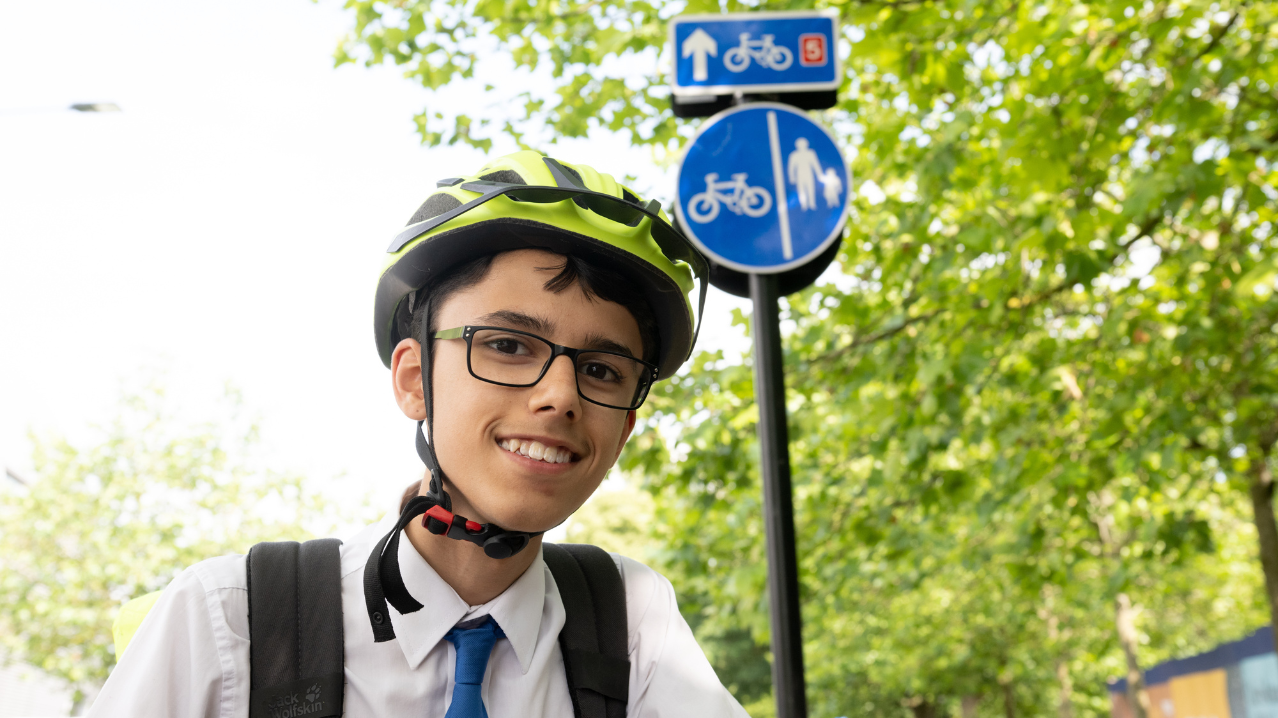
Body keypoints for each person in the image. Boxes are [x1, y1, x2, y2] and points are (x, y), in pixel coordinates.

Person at [87, 151, 750, 718]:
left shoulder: (631, 626)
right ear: (413, 380)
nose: (560, 396)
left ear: (626, 425)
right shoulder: (232, 621)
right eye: (508, 345)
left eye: (603, 370)